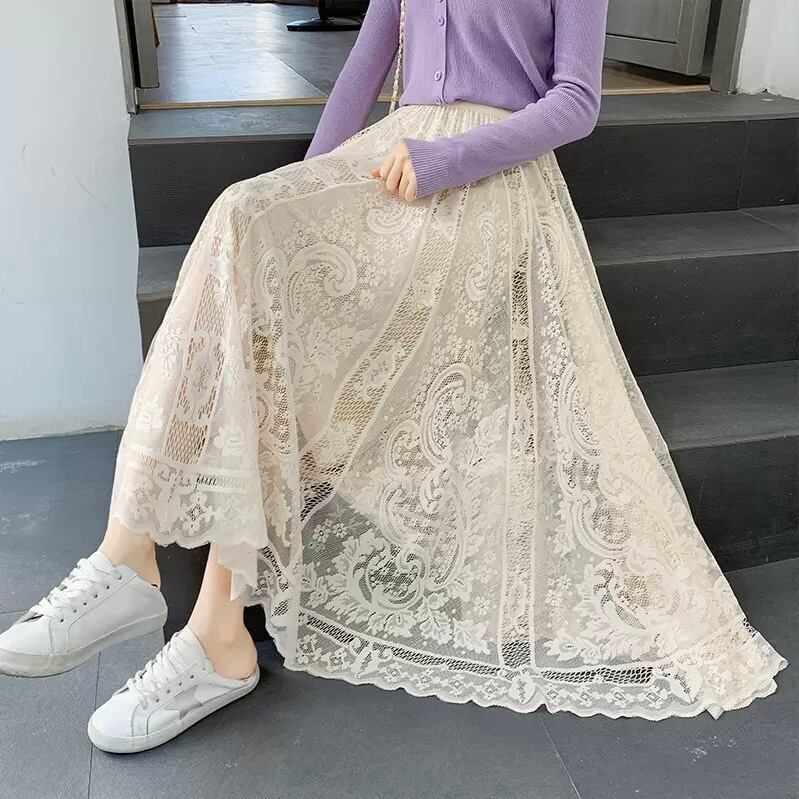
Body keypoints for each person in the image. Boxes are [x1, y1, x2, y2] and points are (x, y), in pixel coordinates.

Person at [0, 0, 786, 753]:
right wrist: (297, 211)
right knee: (246, 222)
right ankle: (150, 572)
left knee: (250, 248)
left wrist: (447, 159)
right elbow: (361, 73)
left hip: (491, 182)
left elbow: (575, 101)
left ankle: (190, 612)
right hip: (387, 166)